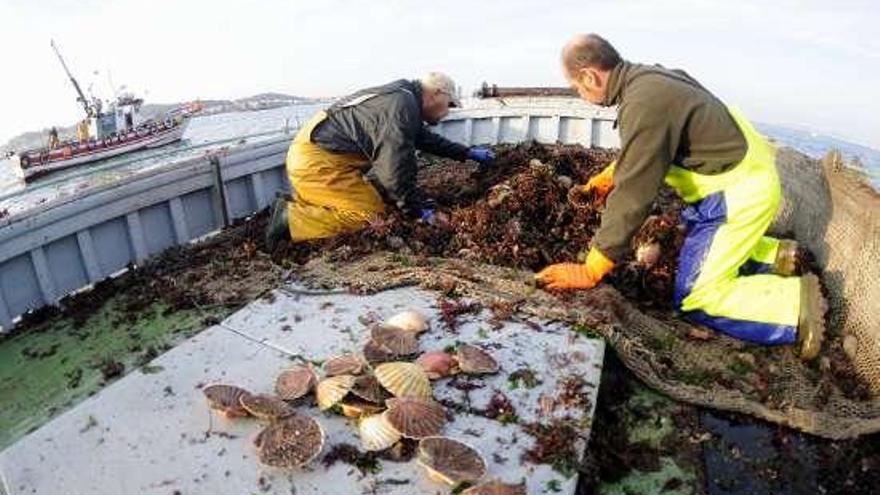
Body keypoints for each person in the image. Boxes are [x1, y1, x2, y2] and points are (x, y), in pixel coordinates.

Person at [536, 34, 825, 360]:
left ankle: (793, 305)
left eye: (577, 87)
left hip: (738, 195)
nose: (580, 93)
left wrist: (592, 268)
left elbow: (634, 193)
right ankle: (779, 256)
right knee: (691, 238)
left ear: (589, 76)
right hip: (744, 177)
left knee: (696, 295)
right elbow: (648, 150)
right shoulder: (651, 79)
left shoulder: (642, 103)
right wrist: (605, 179)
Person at [265, 72, 495, 247]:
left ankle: (299, 203)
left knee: (371, 203)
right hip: (318, 161)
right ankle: (289, 219)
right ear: (436, 94)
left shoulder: (404, 99)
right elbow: (395, 171)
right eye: (450, 104)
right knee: (369, 216)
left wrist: (466, 153)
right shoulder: (401, 107)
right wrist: (417, 212)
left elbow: (424, 139)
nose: (448, 111)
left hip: (317, 155)